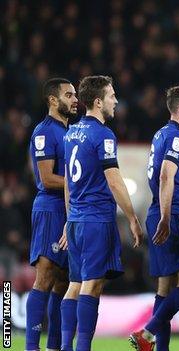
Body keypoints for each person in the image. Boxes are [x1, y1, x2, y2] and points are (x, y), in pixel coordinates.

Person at [61, 75, 143, 351]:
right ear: (97, 102)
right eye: (111, 96)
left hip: (76, 220)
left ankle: (64, 346)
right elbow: (114, 179)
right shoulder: (103, 134)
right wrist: (132, 217)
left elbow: (68, 183)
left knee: (74, 284)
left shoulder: (71, 132)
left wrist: (68, 216)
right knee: (91, 285)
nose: (116, 101)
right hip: (96, 218)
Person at [130, 86, 179, 351]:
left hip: (161, 209)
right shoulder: (177, 137)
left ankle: (158, 347)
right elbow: (164, 176)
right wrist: (166, 216)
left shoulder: (160, 134)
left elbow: (164, 181)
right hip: (171, 215)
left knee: (164, 287)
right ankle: (148, 333)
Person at [26, 78, 77, 351]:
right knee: (45, 276)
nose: (75, 99)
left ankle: (54, 347)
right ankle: (30, 346)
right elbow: (46, 179)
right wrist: (81, 181)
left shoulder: (72, 132)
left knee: (64, 281)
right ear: (53, 100)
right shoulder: (44, 132)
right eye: (69, 95)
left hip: (71, 210)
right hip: (50, 209)